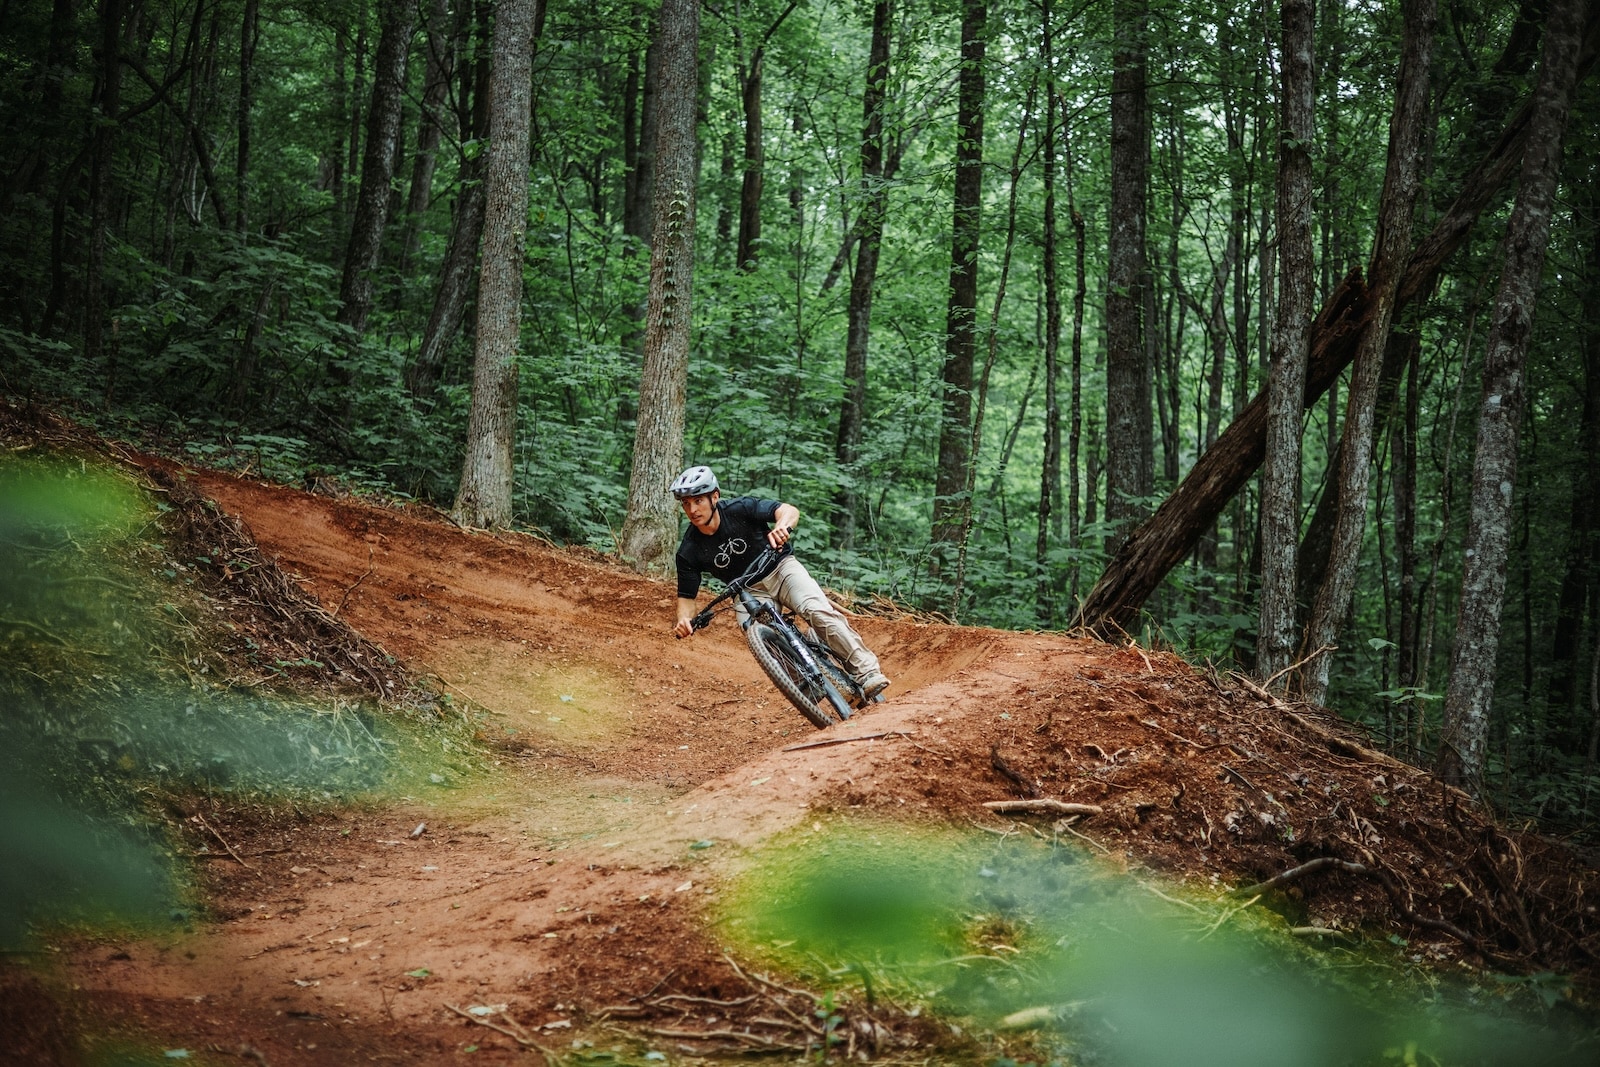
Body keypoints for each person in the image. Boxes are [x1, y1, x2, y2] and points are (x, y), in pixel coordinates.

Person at [670, 465, 890, 700]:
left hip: (780, 568)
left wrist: (782, 527)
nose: (692, 510)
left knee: (816, 610)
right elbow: (686, 598)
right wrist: (684, 620)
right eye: (686, 504)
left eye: (698, 501)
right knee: (759, 637)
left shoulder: (739, 509)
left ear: (714, 496)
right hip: (748, 592)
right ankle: (805, 684)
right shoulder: (689, 551)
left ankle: (867, 672)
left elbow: (787, 510)